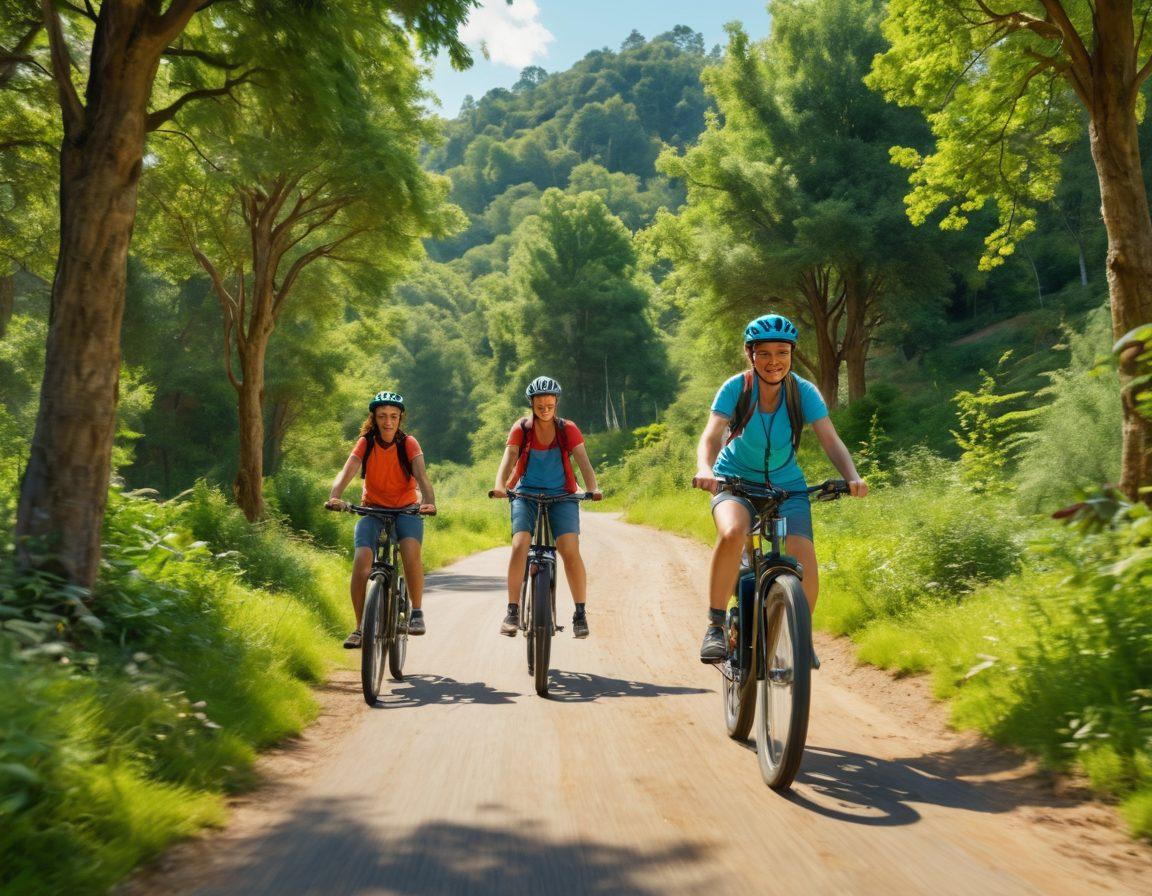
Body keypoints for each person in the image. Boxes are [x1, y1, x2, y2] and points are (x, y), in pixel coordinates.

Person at [691, 314, 868, 663]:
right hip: (734, 480)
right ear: (750, 354)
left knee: (804, 558)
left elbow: (831, 441)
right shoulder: (736, 388)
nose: (774, 361)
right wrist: (704, 468)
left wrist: (853, 475)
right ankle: (714, 626)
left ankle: (799, 638)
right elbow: (712, 435)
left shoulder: (803, 392)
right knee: (732, 534)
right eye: (765, 353)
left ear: (792, 354)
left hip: (788, 486)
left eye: (783, 352)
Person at [490, 376, 603, 639]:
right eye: (540, 404)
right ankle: (512, 611)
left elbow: (584, 463)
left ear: (556, 403)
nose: (544, 408)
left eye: (549, 404)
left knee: (569, 549)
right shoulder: (522, 428)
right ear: (532, 404)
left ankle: (580, 613)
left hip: (562, 495)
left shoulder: (567, 429)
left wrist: (592, 488)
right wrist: (499, 485)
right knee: (520, 544)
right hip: (525, 493)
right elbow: (508, 459)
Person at [325, 391, 436, 648]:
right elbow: (349, 469)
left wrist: (428, 502)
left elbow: (421, 475)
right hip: (372, 509)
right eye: (383, 416)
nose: (388, 421)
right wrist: (335, 495)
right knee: (362, 560)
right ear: (374, 418)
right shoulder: (366, 442)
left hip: (407, 508)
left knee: (410, 553)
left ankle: (416, 612)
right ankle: (360, 627)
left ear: (400, 419)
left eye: (393, 416)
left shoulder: (408, 443)